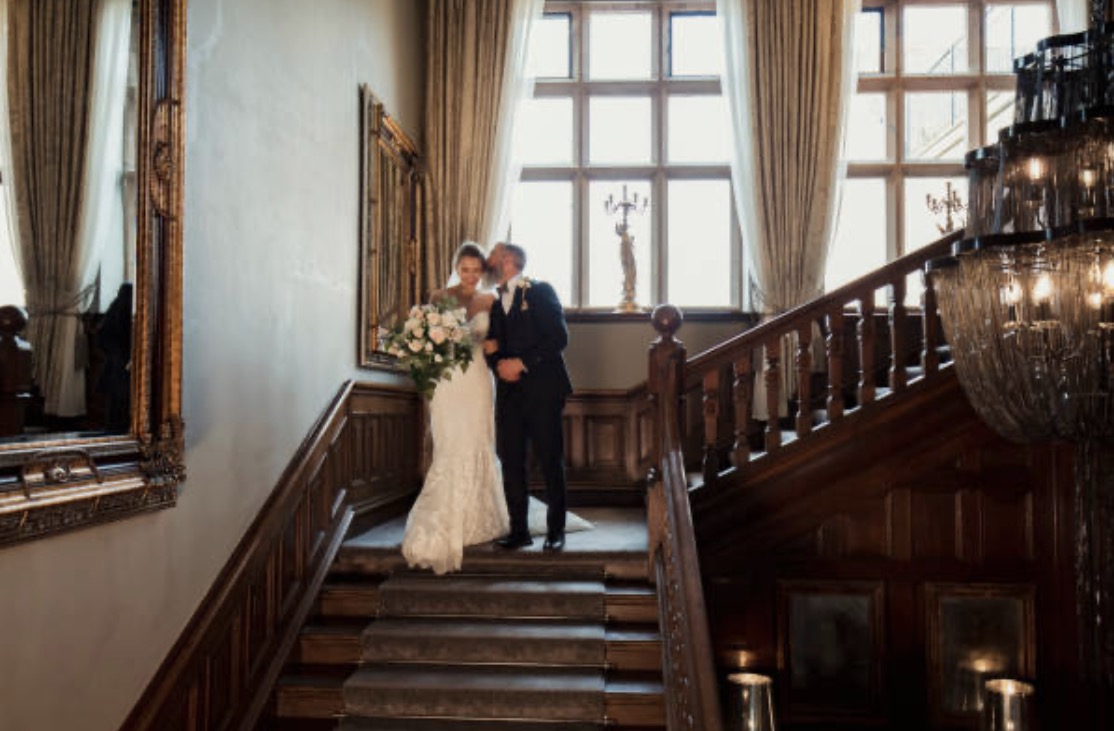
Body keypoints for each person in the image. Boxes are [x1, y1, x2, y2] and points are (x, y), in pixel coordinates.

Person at [400, 242, 510, 574]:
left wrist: (495, 344)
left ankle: (479, 518)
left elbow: (502, 339)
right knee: (449, 444)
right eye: (465, 269)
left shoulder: (490, 300)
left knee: (478, 440)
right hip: (448, 381)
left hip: (477, 378)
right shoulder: (438, 297)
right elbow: (428, 342)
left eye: (476, 270)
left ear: (483, 271)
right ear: (456, 267)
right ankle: (442, 518)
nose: (471, 276)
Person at [486, 243, 574, 551]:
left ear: (508, 260)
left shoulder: (540, 290)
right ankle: (519, 531)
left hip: (543, 389)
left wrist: (522, 363)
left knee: (550, 459)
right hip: (510, 395)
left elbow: (559, 337)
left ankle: (555, 532)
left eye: (493, 255)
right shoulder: (496, 305)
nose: (488, 260)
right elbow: (491, 346)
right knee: (511, 462)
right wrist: (498, 365)